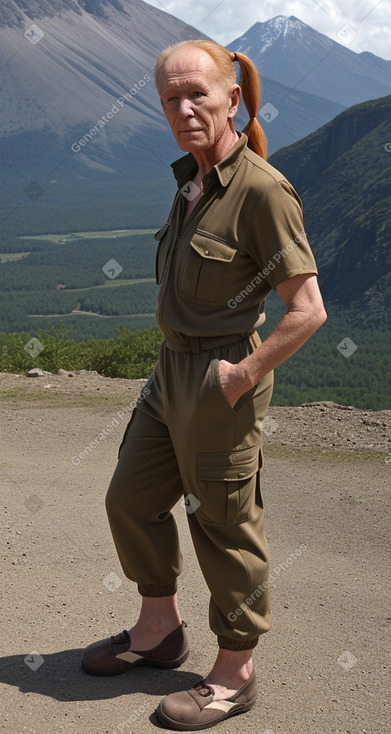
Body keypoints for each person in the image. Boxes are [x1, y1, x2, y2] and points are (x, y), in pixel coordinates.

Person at [82, 40, 327, 730]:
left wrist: (243, 373)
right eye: (170, 98)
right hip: (171, 370)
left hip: (221, 374)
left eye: (197, 94)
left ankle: (234, 673)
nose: (184, 108)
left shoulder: (259, 190)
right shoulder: (192, 180)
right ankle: (158, 630)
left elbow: (308, 310)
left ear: (232, 98)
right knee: (130, 498)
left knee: (221, 524)